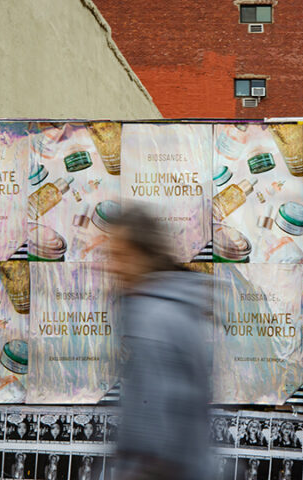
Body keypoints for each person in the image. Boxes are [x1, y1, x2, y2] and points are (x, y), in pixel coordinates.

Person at [111, 204, 212, 480]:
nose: (111, 267)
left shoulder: (153, 318)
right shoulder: (177, 306)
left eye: (119, 256)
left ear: (142, 255)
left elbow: (153, 417)